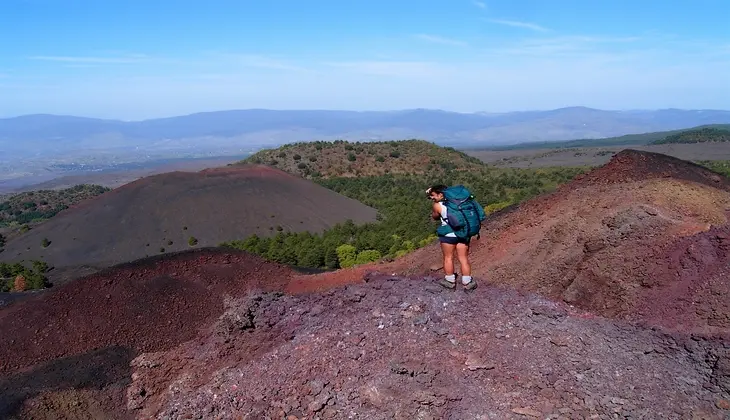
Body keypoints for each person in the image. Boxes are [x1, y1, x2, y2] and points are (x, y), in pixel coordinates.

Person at [426, 185, 477, 290]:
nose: (432, 198)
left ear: (440, 194)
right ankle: (467, 282)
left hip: (448, 235)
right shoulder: (461, 202)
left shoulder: (438, 205)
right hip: (463, 233)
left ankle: (450, 281)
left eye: (433, 195)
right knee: (463, 258)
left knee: (448, 257)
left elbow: (435, 217)